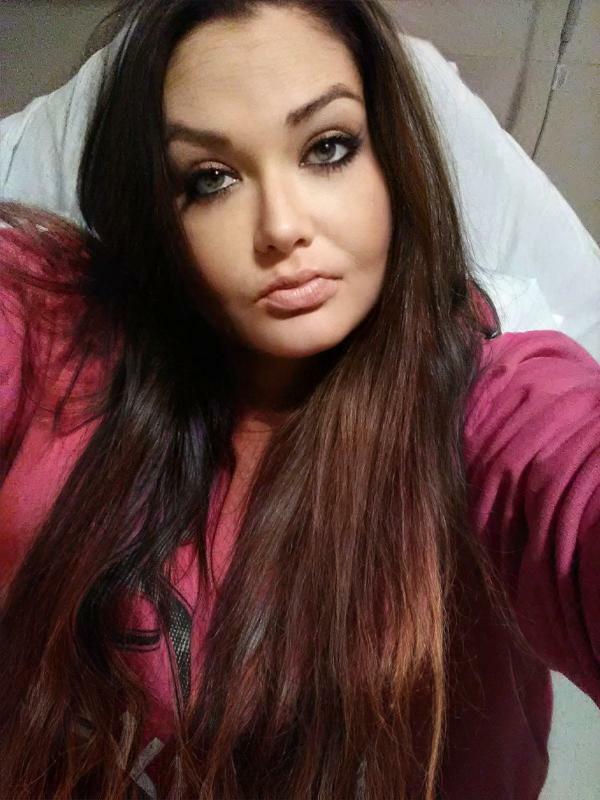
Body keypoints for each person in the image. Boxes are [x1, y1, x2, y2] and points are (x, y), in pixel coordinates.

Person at [0, 1, 598, 798]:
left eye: (327, 148)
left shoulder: (487, 408)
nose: (281, 227)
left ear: (393, 161)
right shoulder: (56, 331)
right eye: (210, 180)